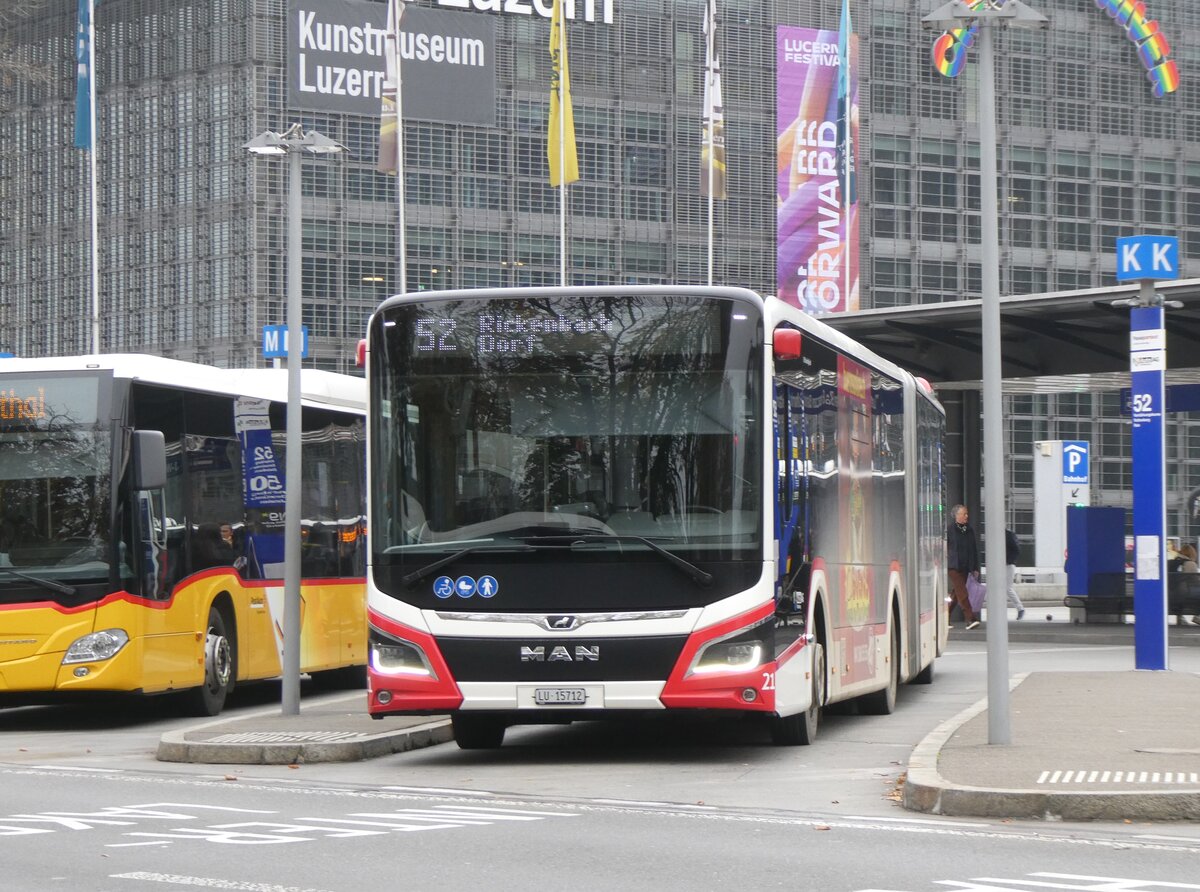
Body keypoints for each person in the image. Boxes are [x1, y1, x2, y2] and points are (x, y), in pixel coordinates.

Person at [947, 504, 981, 630]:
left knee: (956, 595)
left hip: (965, 566)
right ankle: (970, 618)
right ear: (957, 516)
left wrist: (975, 567)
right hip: (953, 566)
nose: (967, 516)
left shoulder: (969, 530)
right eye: (964, 514)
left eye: (967, 514)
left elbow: (973, 549)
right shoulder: (949, 530)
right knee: (962, 592)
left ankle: (944, 618)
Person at [1005, 528, 1027, 621]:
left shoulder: (1008, 535)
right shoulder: (999, 535)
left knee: (1007, 588)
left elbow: (1016, 549)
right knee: (1003, 588)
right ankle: (1020, 608)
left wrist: (1009, 561)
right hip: (1002, 564)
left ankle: (1020, 608)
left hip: (1008, 565)